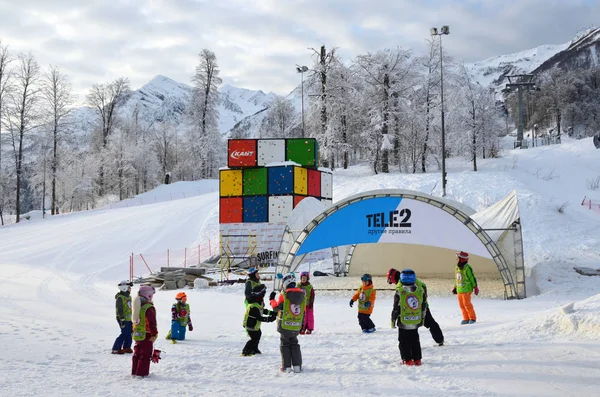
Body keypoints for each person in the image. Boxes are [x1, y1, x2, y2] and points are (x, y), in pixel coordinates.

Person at [387, 268, 444, 346]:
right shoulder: (411, 280)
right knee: (428, 323)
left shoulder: (401, 283)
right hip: (419, 305)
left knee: (425, 323)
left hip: (418, 307)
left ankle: (438, 340)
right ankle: (439, 339)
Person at [269, 273, 306, 373]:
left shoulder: (284, 295)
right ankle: (297, 366)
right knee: (294, 344)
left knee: (285, 345)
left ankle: (287, 367)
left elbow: (276, 307)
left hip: (285, 325)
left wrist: (272, 299)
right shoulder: (302, 295)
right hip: (296, 325)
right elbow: (303, 310)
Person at [392, 269, 426, 366]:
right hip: (415, 320)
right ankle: (417, 359)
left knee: (403, 341)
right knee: (415, 340)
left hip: (403, 322)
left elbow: (396, 307)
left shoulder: (400, 291)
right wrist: (422, 319)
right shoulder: (420, 290)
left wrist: (393, 320)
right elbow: (423, 306)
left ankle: (407, 359)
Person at [131, 285, 158, 378]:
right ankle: (141, 373)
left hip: (137, 333)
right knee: (145, 354)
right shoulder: (148, 307)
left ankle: (135, 371)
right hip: (147, 334)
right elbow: (152, 322)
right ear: (148, 295)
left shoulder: (136, 306)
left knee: (137, 353)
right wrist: (154, 334)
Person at [242, 284, 276, 356]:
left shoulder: (257, 303)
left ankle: (254, 348)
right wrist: (269, 319)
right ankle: (246, 351)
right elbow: (259, 317)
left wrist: (272, 313)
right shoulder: (253, 306)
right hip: (250, 325)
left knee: (258, 335)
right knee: (253, 339)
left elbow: (262, 310)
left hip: (255, 325)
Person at [452, 251, 479, 324]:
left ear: (462, 259)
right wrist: (455, 287)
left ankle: (472, 318)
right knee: (462, 305)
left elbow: (472, 277)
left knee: (467, 304)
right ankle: (466, 318)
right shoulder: (457, 267)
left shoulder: (467, 268)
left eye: (458, 258)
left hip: (466, 289)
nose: (457, 259)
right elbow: (457, 278)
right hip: (460, 289)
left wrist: (475, 286)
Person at [112, 280, 134, 354]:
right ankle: (116, 348)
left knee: (130, 332)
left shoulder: (129, 297)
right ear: (124, 288)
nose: (130, 289)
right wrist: (122, 319)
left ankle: (127, 347)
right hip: (122, 318)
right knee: (124, 333)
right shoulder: (120, 298)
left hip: (128, 318)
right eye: (129, 287)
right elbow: (119, 309)